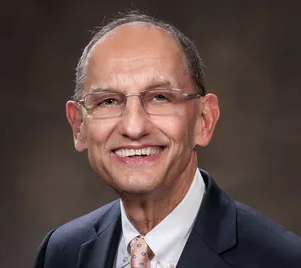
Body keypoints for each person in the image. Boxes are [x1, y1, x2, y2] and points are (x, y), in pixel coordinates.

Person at [34, 11, 301, 268]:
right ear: (79, 126)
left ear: (204, 120)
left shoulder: (282, 259)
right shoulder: (60, 253)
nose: (134, 127)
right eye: (109, 101)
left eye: (160, 97)